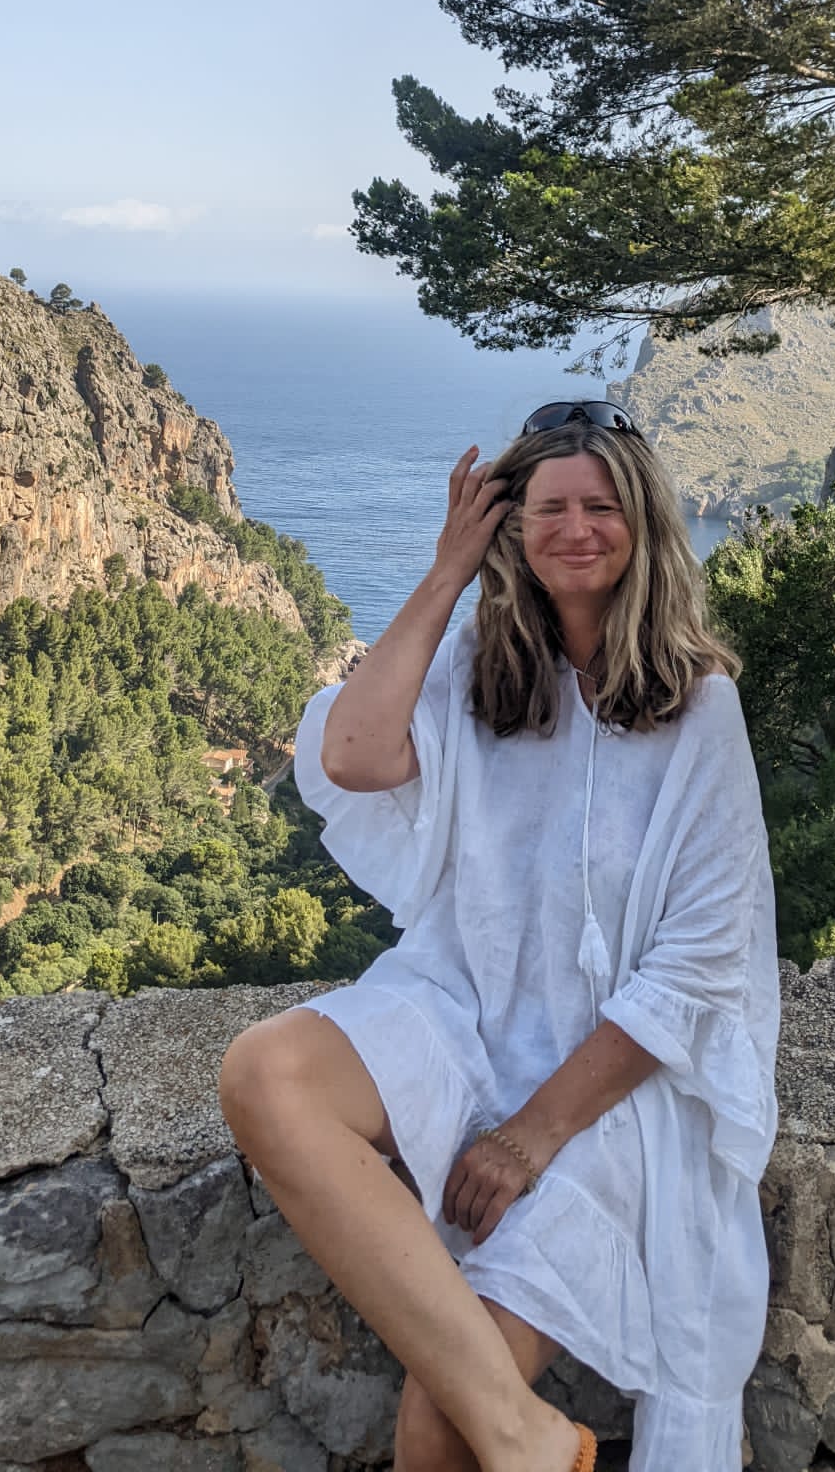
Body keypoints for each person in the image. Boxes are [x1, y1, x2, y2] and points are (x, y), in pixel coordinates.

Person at [218, 400, 780, 1472]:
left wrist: (531, 1135)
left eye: (601, 506)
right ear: (511, 530)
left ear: (644, 524)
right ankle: (529, 1439)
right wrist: (446, 573)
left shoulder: (700, 710)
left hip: (614, 1091)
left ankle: (514, 1437)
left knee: (437, 1424)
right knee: (265, 1073)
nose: (576, 529)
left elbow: (699, 965)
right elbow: (353, 755)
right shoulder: (480, 663)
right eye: (548, 508)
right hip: (462, 1013)